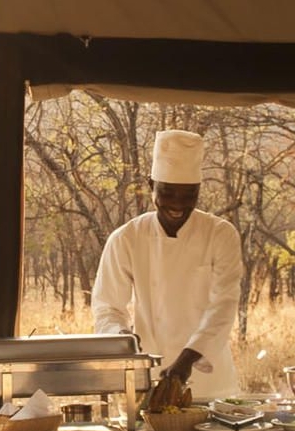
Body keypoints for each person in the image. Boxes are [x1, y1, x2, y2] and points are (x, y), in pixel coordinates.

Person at [93, 129, 246, 405]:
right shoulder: (127, 238)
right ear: (151, 185)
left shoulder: (221, 234)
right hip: (148, 381)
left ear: (199, 190)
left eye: (189, 194)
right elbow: (107, 307)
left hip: (209, 381)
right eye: (168, 192)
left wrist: (186, 360)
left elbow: (224, 304)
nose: (178, 204)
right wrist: (122, 340)